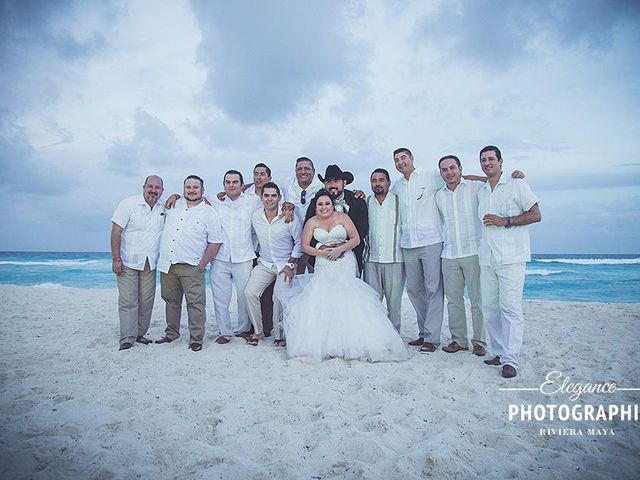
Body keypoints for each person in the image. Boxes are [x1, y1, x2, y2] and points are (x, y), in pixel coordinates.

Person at [280, 190, 408, 362]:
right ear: (315, 206)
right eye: (320, 204)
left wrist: (340, 249)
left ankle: (353, 341)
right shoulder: (311, 222)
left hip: (344, 261)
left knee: (347, 298)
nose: (324, 207)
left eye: (327, 204)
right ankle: (327, 343)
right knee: (324, 298)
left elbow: (355, 239)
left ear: (332, 205)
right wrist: (322, 252)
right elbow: (304, 246)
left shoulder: (343, 218)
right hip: (323, 263)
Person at [477, 146, 541, 379]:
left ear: (501, 161)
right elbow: (473, 178)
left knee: (510, 308)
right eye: (483, 160)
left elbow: (536, 214)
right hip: (487, 257)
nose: (487, 163)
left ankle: (511, 359)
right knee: (490, 308)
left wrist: (506, 221)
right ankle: (498, 351)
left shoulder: (517, 184)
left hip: (511, 258)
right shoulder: (483, 190)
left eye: (491, 159)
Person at [155, 175, 223, 351]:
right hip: (168, 264)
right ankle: (172, 334)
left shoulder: (209, 212)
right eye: (188, 187)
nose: (191, 190)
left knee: (195, 304)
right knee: (170, 301)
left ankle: (196, 339)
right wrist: (174, 196)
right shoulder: (173, 205)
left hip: (192, 266)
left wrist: (202, 265)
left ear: (202, 190)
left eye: (195, 187)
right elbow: (156, 197)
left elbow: (215, 241)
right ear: (183, 189)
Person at [392, 147, 447, 353]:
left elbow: (457, 178)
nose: (400, 162)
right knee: (414, 290)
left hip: (431, 241)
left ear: (412, 158)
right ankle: (424, 332)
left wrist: (500, 178)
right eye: (396, 160)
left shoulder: (430, 177)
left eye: (403, 158)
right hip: (407, 243)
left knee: (433, 289)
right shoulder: (396, 187)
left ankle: (432, 338)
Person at [435, 156, 487, 356]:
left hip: (473, 251)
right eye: (444, 170)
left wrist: (516, 175)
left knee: (477, 300)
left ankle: (480, 341)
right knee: (453, 300)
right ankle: (459, 340)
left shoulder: (474, 187)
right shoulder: (439, 195)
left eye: (452, 168)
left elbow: (491, 180)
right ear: (441, 173)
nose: (449, 172)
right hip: (449, 254)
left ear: (460, 169)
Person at [110, 175, 165, 351]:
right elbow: (116, 232)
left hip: (150, 263)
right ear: (143, 187)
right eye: (150, 186)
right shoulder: (128, 204)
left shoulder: (163, 209)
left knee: (146, 301)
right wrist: (116, 258)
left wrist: (176, 197)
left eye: (157, 188)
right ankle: (127, 337)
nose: (153, 190)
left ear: (162, 191)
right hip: (127, 262)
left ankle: (140, 333)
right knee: (128, 301)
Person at [244, 182, 302, 346]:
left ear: (279, 198)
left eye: (273, 195)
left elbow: (299, 242)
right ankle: (258, 331)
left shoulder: (289, 217)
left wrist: (290, 264)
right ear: (261, 197)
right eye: (266, 195)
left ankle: (279, 336)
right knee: (249, 292)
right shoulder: (255, 216)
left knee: (278, 297)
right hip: (265, 263)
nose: (270, 199)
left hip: (286, 264)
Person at [210, 170, 262, 343]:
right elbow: (194, 198)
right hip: (220, 258)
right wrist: (173, 197)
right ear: (223, 184)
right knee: (220, 297)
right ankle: (224, 332)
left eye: (235, 182)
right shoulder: (215, 201)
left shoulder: (252, 201)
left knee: (243, 296)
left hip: (244, 256)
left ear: (242, 184)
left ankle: (243, 329)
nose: (231, 185)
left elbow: (271, 195)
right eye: (228, 182)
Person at [304, 164, 369, 274]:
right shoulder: (316, 202)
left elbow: (362, 229)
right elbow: (307, 228)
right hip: (321, 259)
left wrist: (344, 246)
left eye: (336, 181)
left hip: (349, 257)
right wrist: (320, 246)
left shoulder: (357, 200)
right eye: (328, 182)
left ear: (344, 182)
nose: (332, 185)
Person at [364, 168, 405, 332]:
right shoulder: (366, 201)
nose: (377, 183)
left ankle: (394, 334)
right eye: (374, 180)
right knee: (373, 301)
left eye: (381, 180)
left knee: (394, 302)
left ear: (388, 182)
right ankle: (376, 334)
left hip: (394, 258)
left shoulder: (398, 200)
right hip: (371, 259)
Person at [281, 157, 324, 223]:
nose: (303, 172)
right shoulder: (285, 185)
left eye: (307, 169)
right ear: (295, 171)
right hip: (291, 228)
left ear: (314, 171)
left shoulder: (321, 187)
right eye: (299, 169)